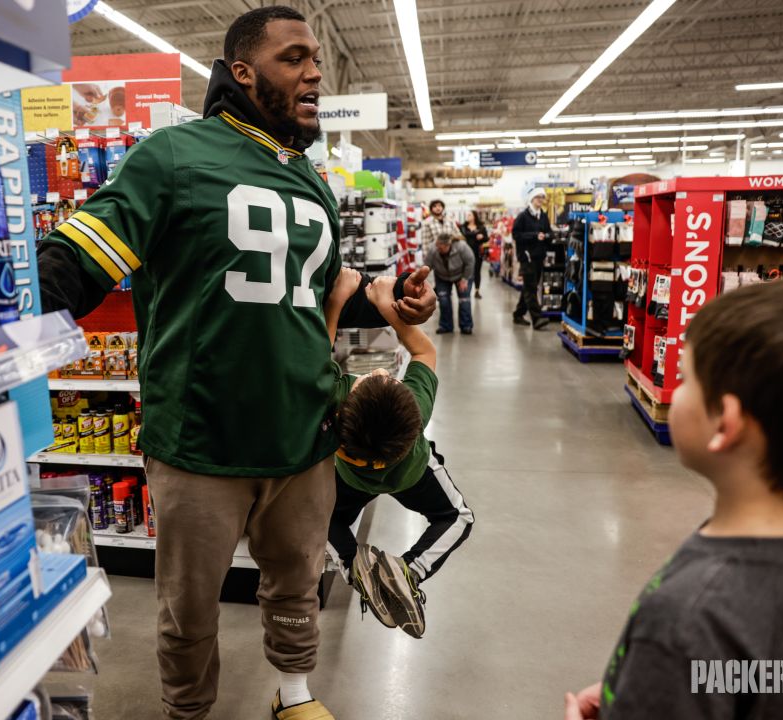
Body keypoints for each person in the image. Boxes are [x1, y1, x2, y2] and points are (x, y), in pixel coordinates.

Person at [35, 7, 438, 719]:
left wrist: (391, 306)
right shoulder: (172, 157)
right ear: (243, 73)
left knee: (296, 581)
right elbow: (76, 257)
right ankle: (188, 711)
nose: (315, 70)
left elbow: (310, 294)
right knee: (188, 608)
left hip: (305, 435)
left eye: (316, 57)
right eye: (294, 58)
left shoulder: (312, 181)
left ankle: (294, 696)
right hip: (201, 441)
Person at [564, 277, 783, 720]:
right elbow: (781, 675)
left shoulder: (689, 615)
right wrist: (649, 682)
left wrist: (666, 673)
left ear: (726, 424)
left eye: (684, 378)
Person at [321, 268, 474, 640]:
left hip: (351, 478)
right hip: (412, 472)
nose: (377, 369)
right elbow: (423, 349)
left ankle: (353, 564)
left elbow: (316, 361)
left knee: (322, 517)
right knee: (458, 517)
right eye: (385, 376)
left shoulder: (332, 402)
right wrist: (386, 306)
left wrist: (336, 300)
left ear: (344, 410)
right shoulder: (415, 410)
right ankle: (409, 572)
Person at [512, 187, 552, 330]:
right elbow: (516, 234)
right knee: (530, 288)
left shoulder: (543, 216)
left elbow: (548, 232)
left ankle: (518, 314)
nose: (540, 200)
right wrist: (535, 235)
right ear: (532, 199)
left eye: (542, 197)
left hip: (539, 257)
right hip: (527, 257)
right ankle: (537, 318)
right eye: (538, 197)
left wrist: (547, 237)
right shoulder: (523, 216)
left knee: (529, 287)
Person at [429, 233, 475, 335]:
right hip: (442, 276)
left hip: (462, 274)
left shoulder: (461, 247)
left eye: (441, 248)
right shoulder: (433, 249)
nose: (438, 249)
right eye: (437, 246)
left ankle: (466, 326)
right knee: (443, 300)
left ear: (448, 246)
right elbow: (427, 265)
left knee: (464, 299)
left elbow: (470, 262)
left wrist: (464, 279)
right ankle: (445, 326)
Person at [460, 209, 488, 298]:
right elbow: (463, 235)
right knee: (465, 272)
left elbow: (486, 238)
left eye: (469, 215)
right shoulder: (463, 227)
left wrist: (482, 237)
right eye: (467, 215)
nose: (467, 216)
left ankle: (477, 291)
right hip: (465, 253)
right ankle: (465, 289)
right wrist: (475, 234)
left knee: (477, 271)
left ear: (474, 216)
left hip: (477, 253)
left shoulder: (481, 227)